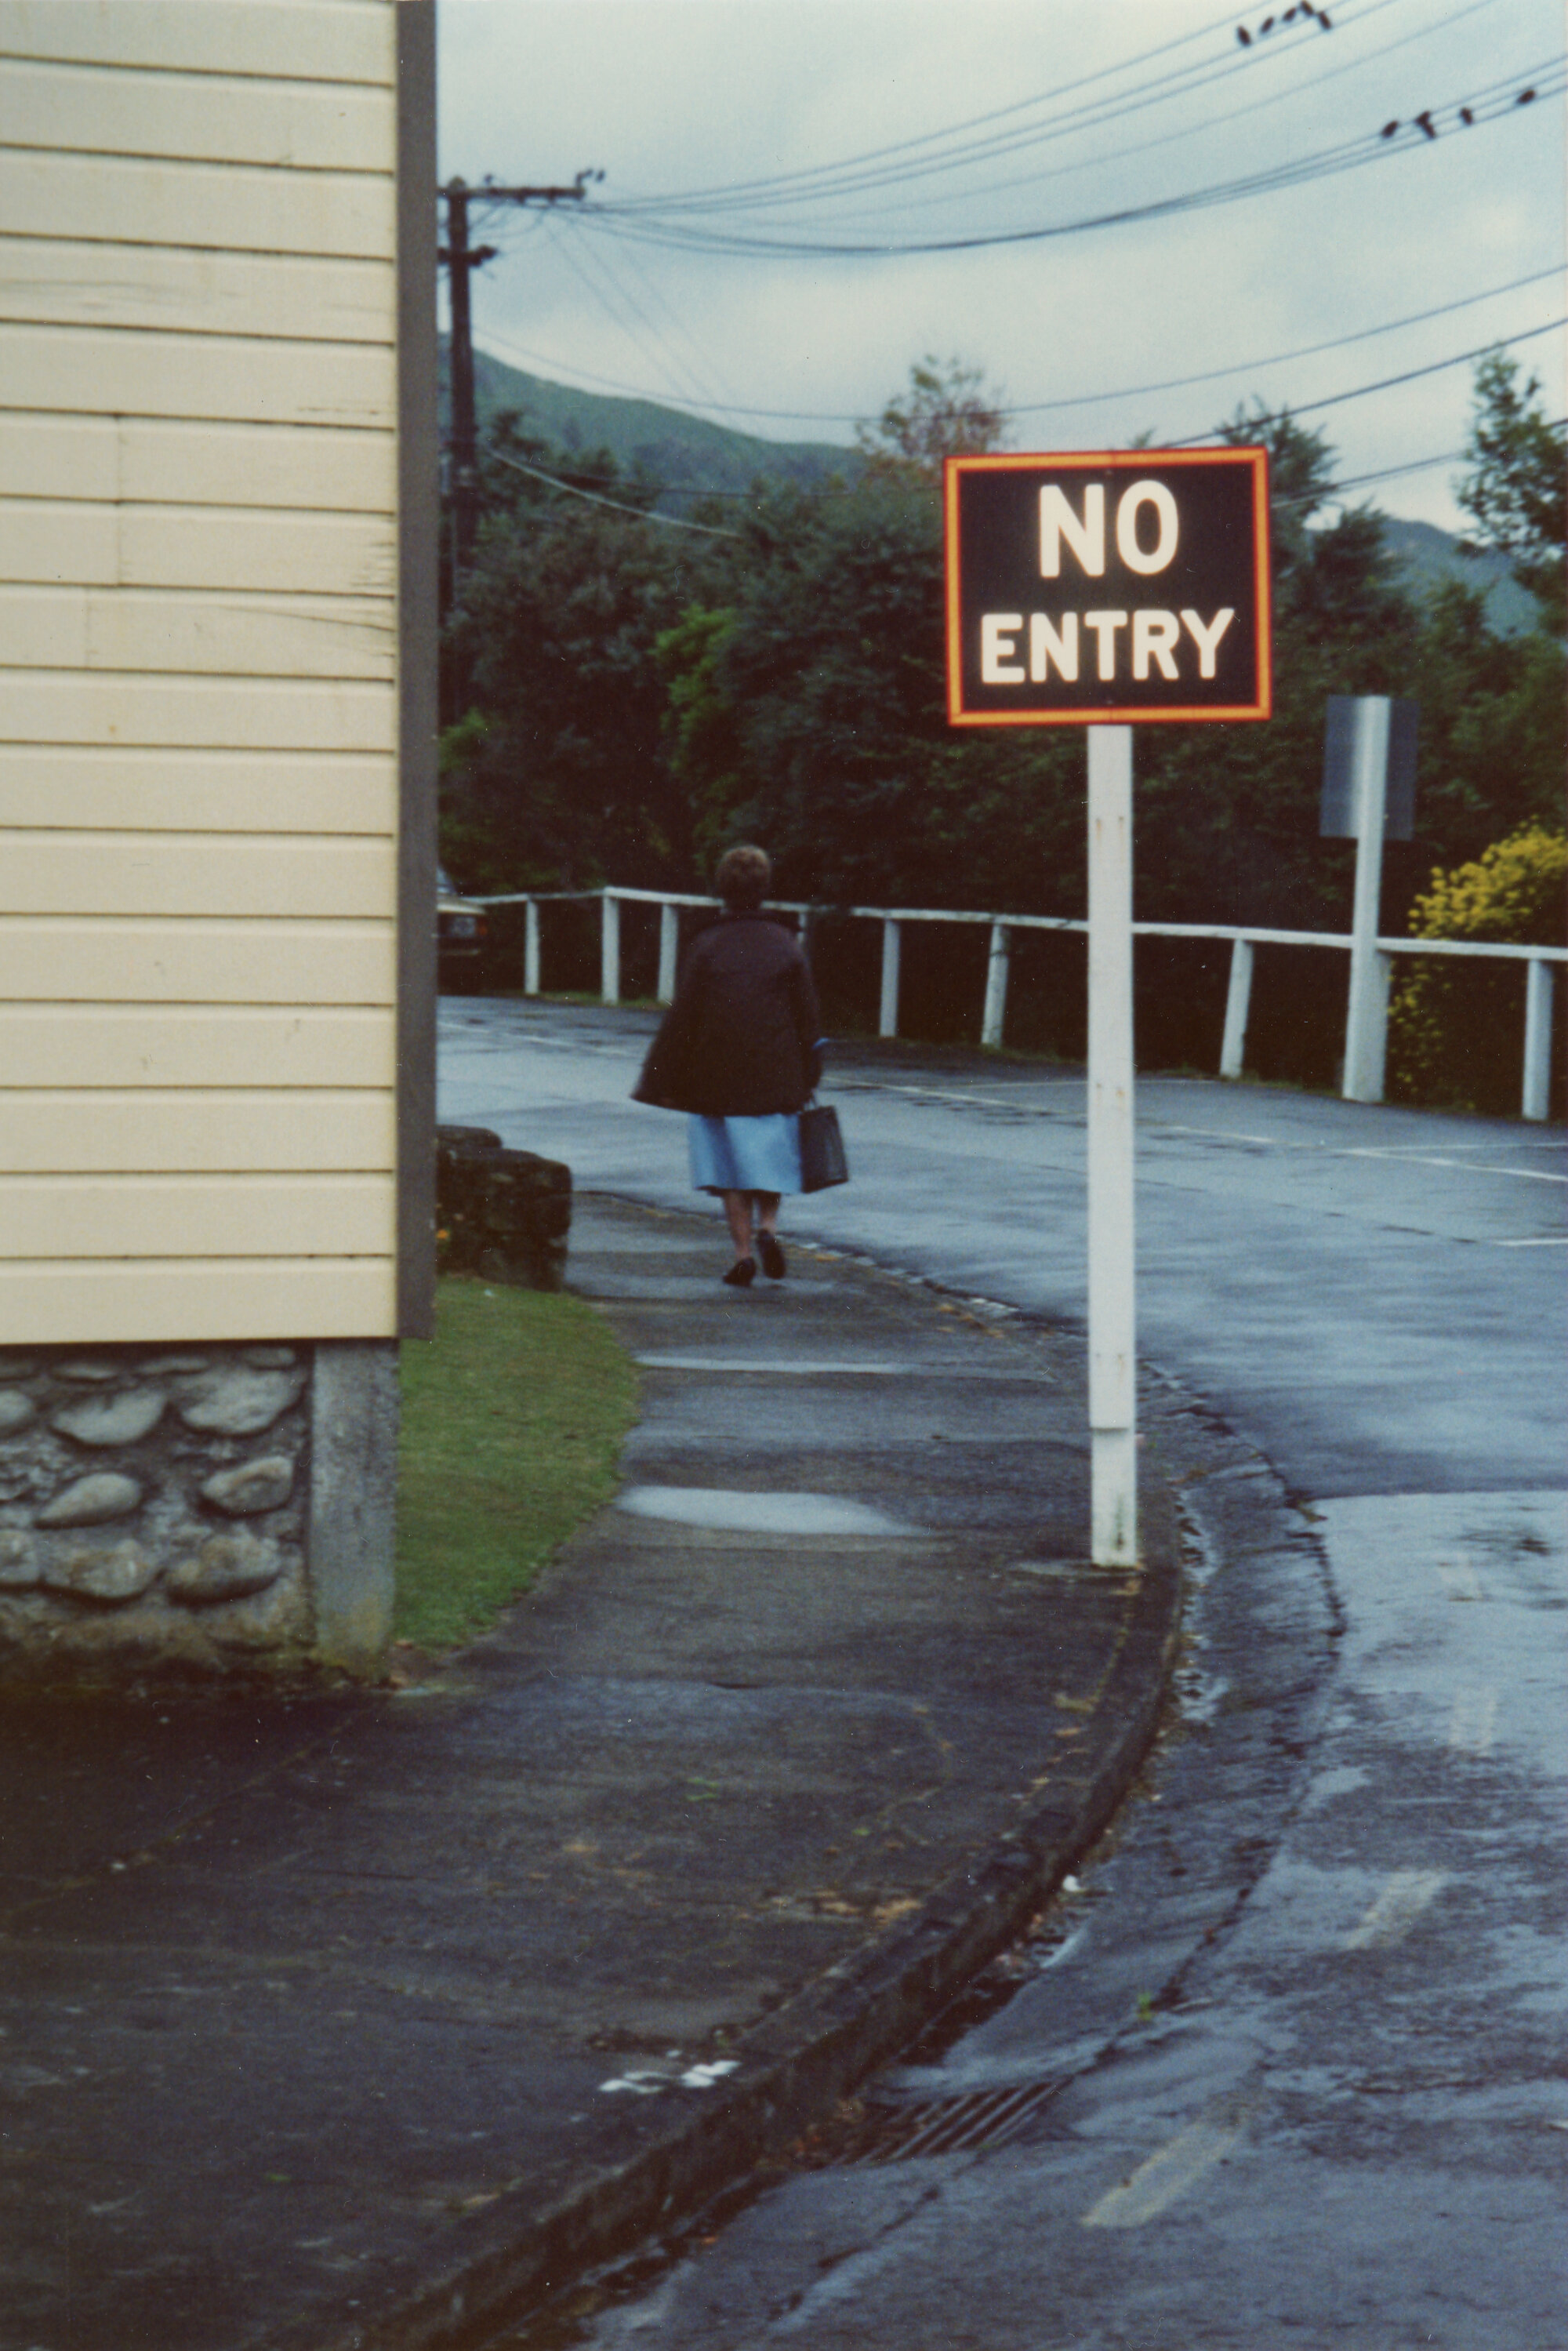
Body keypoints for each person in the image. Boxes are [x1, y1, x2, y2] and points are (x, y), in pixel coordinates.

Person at [632, 845, 822, 1287]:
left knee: (729, 1169)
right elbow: (808, 1017)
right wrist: (810, 1071)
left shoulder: (706, 944)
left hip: (717, 1077)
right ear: (765, 887)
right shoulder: (786, 943)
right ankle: (768, 1228)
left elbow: (683, 1017)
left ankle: (742, 1255)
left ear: (722, 887)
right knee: (770, 1161)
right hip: (777, 1074)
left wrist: (659, 1079)